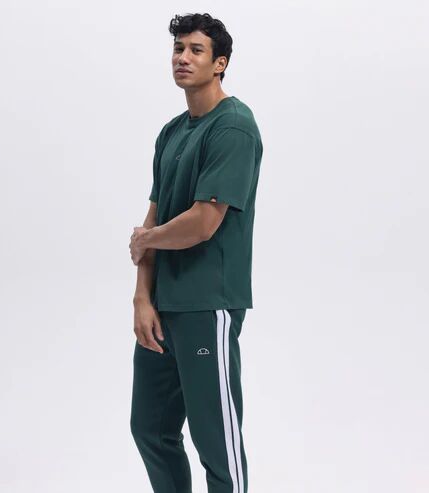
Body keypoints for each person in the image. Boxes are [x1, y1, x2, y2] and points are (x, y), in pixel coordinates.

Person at [128, 12, 263, 493]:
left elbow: (204, 223)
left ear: (220, 63)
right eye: (178, 48)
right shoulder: (171, 132)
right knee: (150, 428)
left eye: (195, 50)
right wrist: (142, 298)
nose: (182, 58)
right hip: (163, 306)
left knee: (216, 443)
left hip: (207, 304)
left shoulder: (234, 128)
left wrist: (146, 240)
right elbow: (154, 216)